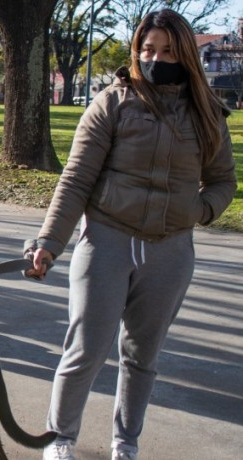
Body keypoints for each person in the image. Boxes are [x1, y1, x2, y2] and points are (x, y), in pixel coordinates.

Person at [24, 10, 237, 460]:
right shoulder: (112, 103)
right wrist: (48, 243)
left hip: (171, 251)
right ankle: (59, 437)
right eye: (147, 49)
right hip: (106, 240)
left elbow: (223, 181)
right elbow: (76, 180)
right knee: (86, 348)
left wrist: (200, 209)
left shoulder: (207, 113)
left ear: (186, 56)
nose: (155, 58)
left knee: (142, 357)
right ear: (137, 50)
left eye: (167, 51)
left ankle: (126, 442)